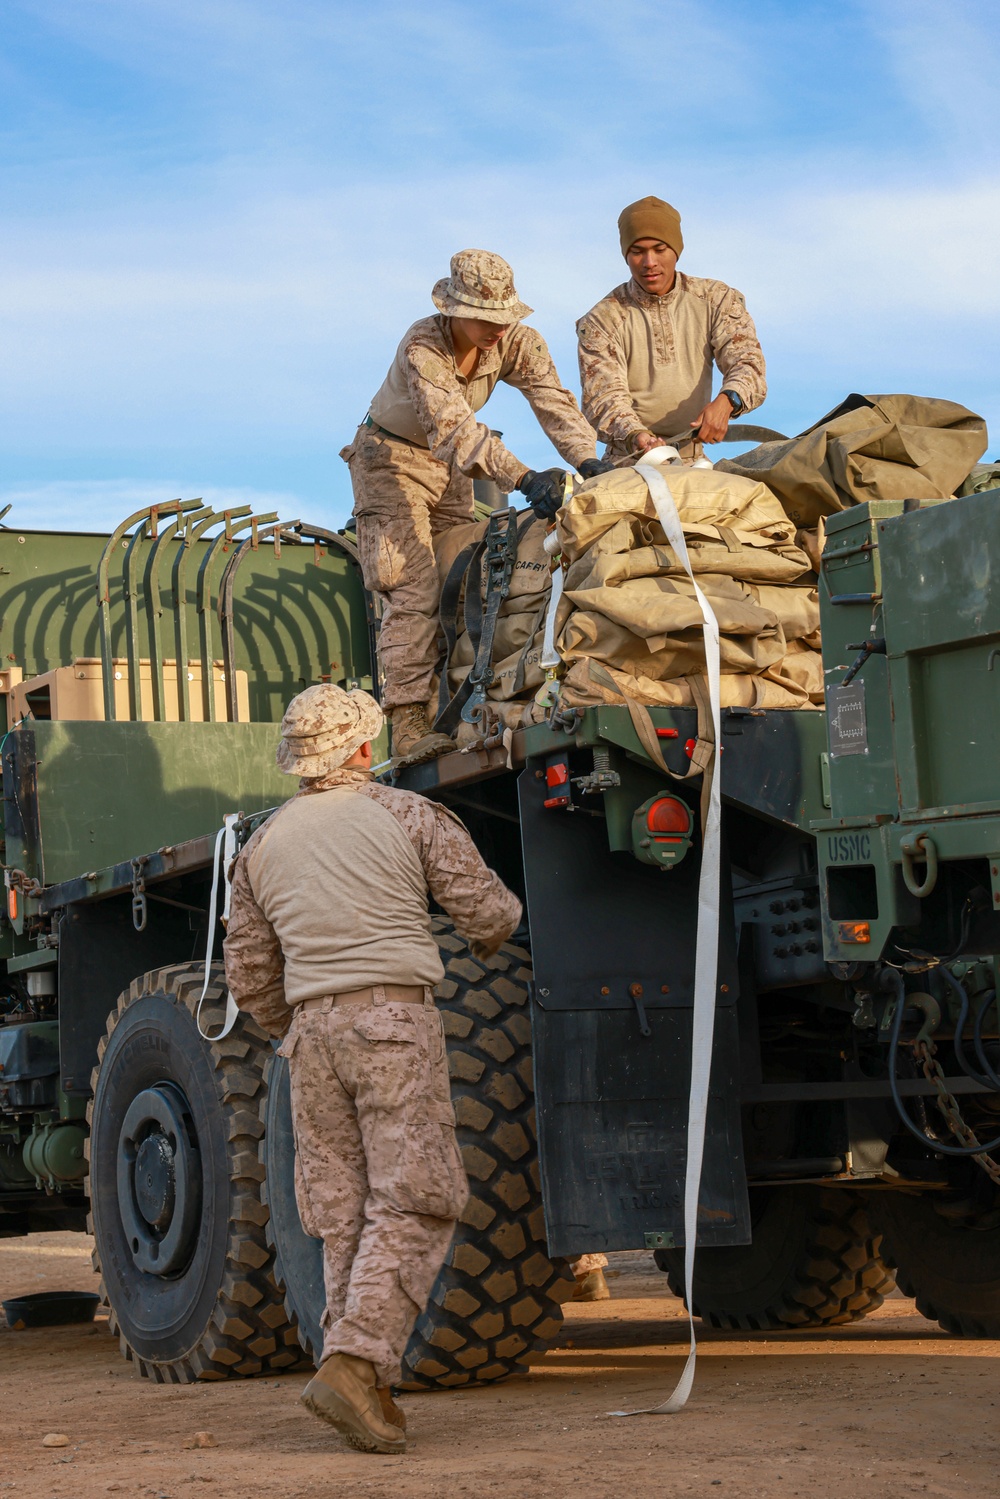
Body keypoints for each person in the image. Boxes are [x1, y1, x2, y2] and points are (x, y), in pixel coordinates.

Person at [223, 683, 522, 1455]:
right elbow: (489, 916)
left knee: (342, 1211)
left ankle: (362, 1376)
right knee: (420, 1194)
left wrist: (310, 1022)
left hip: (309, 1037)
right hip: (393, 1021)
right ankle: (357, 1365)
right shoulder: (406, 813)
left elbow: (252, 976)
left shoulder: (259, 847)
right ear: (363, 748)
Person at [341, 249, 609, 770]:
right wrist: (527, 479)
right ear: (452, 311)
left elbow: (554, 402)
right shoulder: (424, 347)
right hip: (390, 461)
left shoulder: (517, 343)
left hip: (451, 470)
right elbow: (458, 433)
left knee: (463, 574)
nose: (495, 330)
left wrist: (588, 461)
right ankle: (409, 719)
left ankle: (456, 702)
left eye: (504, 319)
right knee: (414, 585)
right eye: (483, 320)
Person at [577, 196, 767, 462]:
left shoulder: (717, 299)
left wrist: (727, 401)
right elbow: (603, 399)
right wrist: (637, 435)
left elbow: (748, 364)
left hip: (695, 460)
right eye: (637, 251)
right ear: (626, 256)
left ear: (676, 250)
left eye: (660, 248)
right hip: (629, 462)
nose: (649, 262)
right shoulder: (601, 320)